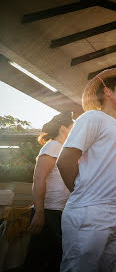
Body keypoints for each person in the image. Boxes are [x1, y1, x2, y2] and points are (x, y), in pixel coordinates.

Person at [56, 67, 116, 272]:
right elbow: (65, 160)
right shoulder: (92, 118)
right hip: (91, 209)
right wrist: (82, 191)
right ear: (107, 91)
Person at [23, 112, 74, 272]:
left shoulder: (63, 149)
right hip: (48, 211)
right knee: (38, 261)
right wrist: (39, 213)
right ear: (63, 128)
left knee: (55, 259)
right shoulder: (52, 146)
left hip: (59, 212)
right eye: (73, 127)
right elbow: (39, 179)